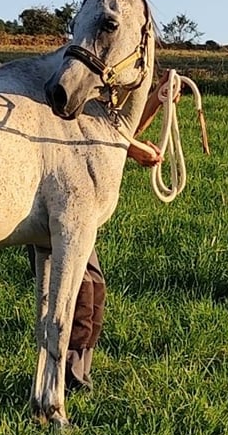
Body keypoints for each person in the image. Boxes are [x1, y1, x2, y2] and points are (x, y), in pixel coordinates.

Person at [28, 70, 179, 391]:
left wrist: (156, 98)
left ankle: (77, 372)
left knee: (93, 288)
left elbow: (121, 132)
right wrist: (134, 148)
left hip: (79, 200)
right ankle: (65, 377)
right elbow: (82, 136)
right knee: (80, 289)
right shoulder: (76, 84)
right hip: (62, 197)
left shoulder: (108, 87)